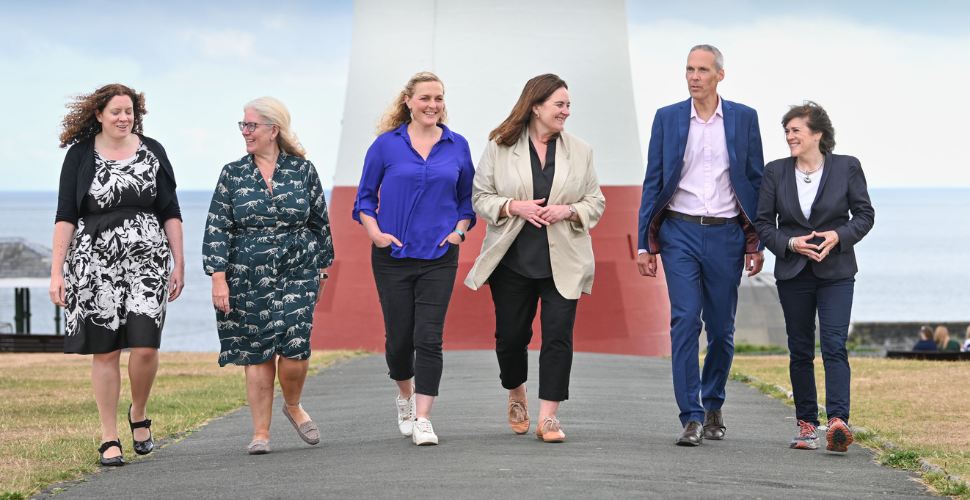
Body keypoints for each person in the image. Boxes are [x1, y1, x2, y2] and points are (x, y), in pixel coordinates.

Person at [465, 74, 606, 443]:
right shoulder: (499, 147)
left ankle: (549, 417)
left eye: (568, 105)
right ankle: (516, 392)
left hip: (565, 261)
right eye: (560, 104)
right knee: (511, 338)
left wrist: (569, 211)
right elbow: (480, 197)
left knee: (558, 337)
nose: (566, 111)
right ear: (536, 106)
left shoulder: (582, 150)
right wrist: (513, 206)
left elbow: (596, 202)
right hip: (512, 261)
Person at [49, 84, 185, 466]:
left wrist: (180, 262)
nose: (124, 118)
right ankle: (110, 437)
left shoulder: (153, 150)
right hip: (94, 263)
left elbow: (170, 210)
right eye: (116, 112)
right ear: (99, 115)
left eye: (129, 111)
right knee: (105, 350)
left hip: (148, 261)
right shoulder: (80, 155)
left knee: (145, 345)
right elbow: (65, 215)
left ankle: (138, 412)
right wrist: (57, 272)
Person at [636, 45, 765, 446]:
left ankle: (713, 405)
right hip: (679, 233)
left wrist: (755, 241)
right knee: (686, 321)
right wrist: (644, 244)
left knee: (722, 330)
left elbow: (756, 182)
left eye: (703, 70)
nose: (694, 76)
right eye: (689, 69)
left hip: (726, 233)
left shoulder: (744, 118)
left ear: (719, 75)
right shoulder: (668, 117)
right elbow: (653, 181)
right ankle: (690, 416)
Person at [203, 97, 333, 455]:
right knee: (257, 353)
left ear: (273, 130)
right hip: (247, 274)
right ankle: (261, 432)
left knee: (295, 349)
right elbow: (217, 227)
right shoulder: (233, 174)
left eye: (251, 126)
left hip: (299, 270)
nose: (245, 132)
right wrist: (218, 277)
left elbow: (320, 222)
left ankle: (293, 404)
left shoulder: (303, 171)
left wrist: (323, 268)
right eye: (242, 125)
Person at [353, 72, 476, 446]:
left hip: (440, 255)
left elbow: (467, 201)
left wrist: (458, 232)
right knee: (399, 341)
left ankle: (423, 418)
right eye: (424, 98)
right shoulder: (385, 146)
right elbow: (363, 198)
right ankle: (405, 397)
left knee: (430, 337)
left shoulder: (457, 145)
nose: (432, 105)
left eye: (438, 98)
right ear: (408, 100)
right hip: (392, 256)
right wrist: (374, 233)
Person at [754, 101, 875, 453]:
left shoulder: (847, 167)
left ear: (817, 134)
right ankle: (807, 426)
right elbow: (763, 223)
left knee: (835, 346)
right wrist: (790, 242)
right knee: (800, 350)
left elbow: (864, 215)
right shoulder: (775, 171)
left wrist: (839, 236)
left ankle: (838, 422)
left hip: (837, 271)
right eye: (787, 131)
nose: (790, 136)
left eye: (796, 130)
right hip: (794, 272)